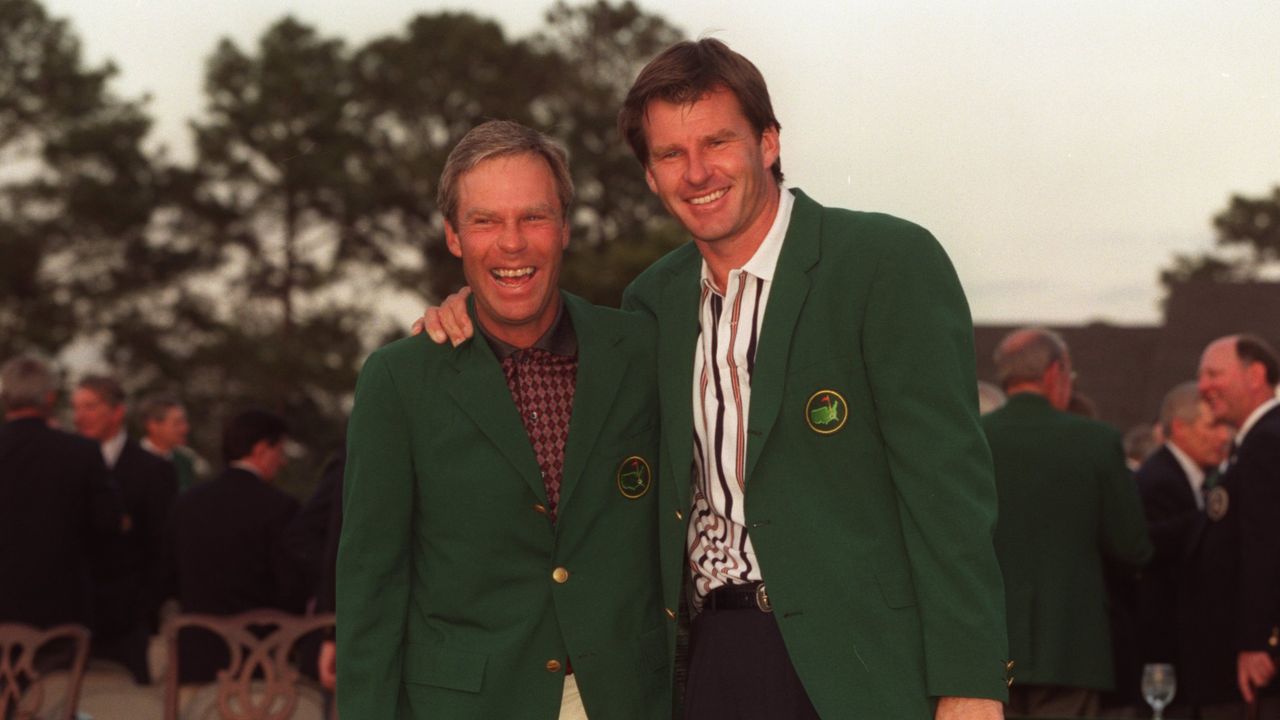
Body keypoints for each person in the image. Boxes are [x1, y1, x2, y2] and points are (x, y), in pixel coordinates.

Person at [427, 39, 1008, 720]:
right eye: (671, 154)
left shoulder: (884, 264)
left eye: (717, 142)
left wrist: (971, 683)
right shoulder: (652, 302)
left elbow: (948, 495)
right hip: (715, 660)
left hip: (868, 665)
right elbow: (552, 355)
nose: (697, 171)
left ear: (767, 141)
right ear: (649, 174)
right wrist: (469, 309)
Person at [338, 121, 665, 719]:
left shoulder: (643, 351)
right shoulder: (398, 381)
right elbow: (372, 589)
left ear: (565, 227)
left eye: (533, 217)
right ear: (454, 236)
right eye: (485, 220)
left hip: (628, 698)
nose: (511, 243)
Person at [981, 327, 1152, 717]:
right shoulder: (1096, 440)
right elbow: (1132, 547)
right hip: (1072, 650)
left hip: (987, 648)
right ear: (1055, 372)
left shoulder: (975, 438)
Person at [164, 409, 307, 683]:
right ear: (262, 449)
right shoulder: (280, 508)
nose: (283, 461)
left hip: (195, 657)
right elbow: (291, 586)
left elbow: (168, 576)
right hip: (257, 659)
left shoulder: (187, 504)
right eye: (280, 450)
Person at [1181, 334, 1280, 716]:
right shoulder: (1253, 443)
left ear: (1255, 374)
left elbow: (1266, 546)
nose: (1203, 386)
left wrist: (1257, 641)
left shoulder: (1266, 443)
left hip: (1254, 673)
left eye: (1213, 374)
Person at [0, 355, 121, 629]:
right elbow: (107, 525)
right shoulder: (81, 452)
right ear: (50, 398)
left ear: (5, 398)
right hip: (61, 616)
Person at [1136, 381, 1234, 717]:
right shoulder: (1158, 481)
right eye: (1214, 425)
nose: (1225, 437)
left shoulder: (1198, 478)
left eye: (1227, 426)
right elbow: (1154, 547)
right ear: (1179, 427)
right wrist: (1212, 515)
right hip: (1167, 656)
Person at [72, 374, 178, 683]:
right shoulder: (66, 463)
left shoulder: (153, 469)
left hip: (128, 617)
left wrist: (146, 607)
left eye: (90, 407)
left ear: (117, 411)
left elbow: (161, 544)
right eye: (77, 407)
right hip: (74, 615)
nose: (80, 416)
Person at [138, 395, 199, 492]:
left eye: (184, 422)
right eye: (177, 423)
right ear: (153, 425)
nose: (185, 428)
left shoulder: (185, 461)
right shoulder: (132, 461)